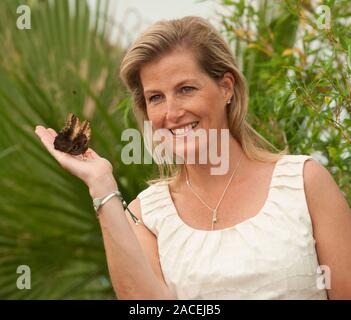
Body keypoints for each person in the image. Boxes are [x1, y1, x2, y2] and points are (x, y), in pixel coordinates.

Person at [35, 16, 351, 300]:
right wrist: (101, 185)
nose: (172, 113)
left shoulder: (304, 183)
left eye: (186, 89)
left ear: (226, 87)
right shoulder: (146, 216)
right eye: (156, 97)